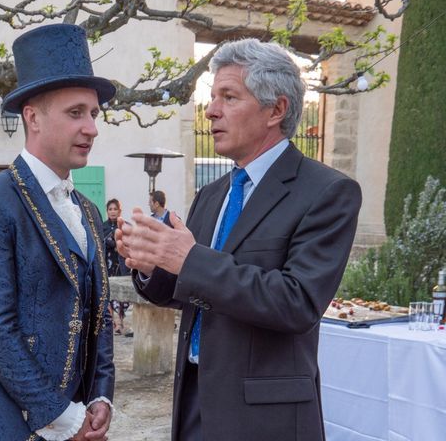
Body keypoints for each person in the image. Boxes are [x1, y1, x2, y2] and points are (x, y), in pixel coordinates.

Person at [117, 38, 362, 441]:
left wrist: (188, 258)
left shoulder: (328, 192)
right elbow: (192, 290)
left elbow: (297, 302)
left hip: (265, 419)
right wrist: (154, 266)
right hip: (195, 401)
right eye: (212, 97)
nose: (211, 110)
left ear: (276, 109)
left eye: (228, 97)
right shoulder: (211, 195)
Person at [0, 24, 115, 441]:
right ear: (33, 118)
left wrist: (100, 396)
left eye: (94, 114)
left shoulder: (90, 211)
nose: (92, 128)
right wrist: (63, 418)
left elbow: (99, 317)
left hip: (78, 418)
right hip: (10, 423)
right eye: (75, 113)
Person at [103, 199, 131, 335]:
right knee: (110, 293)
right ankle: (114, 323)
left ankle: (120, 322)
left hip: (122, 265)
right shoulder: (102, 227)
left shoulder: (125, 226)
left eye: (115, 209)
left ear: (119, 210)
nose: (112, 211)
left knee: (122, 295)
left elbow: (130, 242)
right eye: (110, 209)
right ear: (107, 211)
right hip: (107, 265)